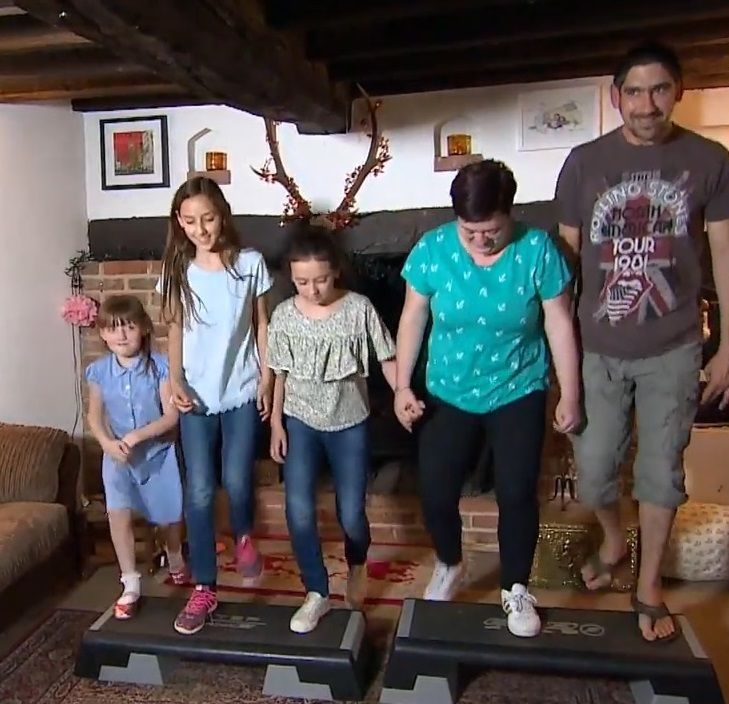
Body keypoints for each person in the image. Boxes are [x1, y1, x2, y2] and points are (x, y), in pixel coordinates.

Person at [554, 41, 729, 642]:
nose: (645, 104)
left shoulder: (710, 160)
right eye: (633, 91)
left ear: (678, 92)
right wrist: (558, 351)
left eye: (658, 89)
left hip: (675, 344)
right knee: (593, 471)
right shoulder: (584, 163)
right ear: (615, 98)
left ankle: (648, 584)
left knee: (661, 473)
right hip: (599, 346)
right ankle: (614, 544)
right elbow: (564, 261)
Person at [394, 159, 580, 638]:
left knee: (517, 491)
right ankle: (450, 563)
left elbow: (559, 322)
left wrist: (570, 391)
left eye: (491, 230)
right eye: (470, 230)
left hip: (517, 386)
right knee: (435, 491)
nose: (480, 240)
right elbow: (413, 316)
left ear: (509, 215)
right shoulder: (433, 249)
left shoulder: (537, 249)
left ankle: (516, 587)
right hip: (447, 389)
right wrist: (402, 385)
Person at [157, 176, 274, 635]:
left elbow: (263, 325)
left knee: (236, 480)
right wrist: (175, 378)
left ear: (222, 214)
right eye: (189, 222)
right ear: (179, 224)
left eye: (207, 218)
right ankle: (204, 585)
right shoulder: (177, 269)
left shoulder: (250, 264)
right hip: (196, 398)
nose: (200, 229)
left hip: (242, 390)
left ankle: (243, 535)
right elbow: (174, 330)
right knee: (200, 491)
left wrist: (266, 378)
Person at [268, 223, 397, 634]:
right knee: (299, 509)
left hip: (349, 423)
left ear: (336, 271)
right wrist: (275, 423)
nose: (313, 289)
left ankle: (357, 564)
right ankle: (316, 591)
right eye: (303, 281)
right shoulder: (285, 314)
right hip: (300, 421)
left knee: (352, 515)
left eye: (320, 279)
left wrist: (403, 394)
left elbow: (388, 357)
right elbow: (279, 374)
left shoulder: (359, 308)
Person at [85, 295, 190, 619]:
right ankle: (130, 582)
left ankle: (175, 556)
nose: (122, 335)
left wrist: (136, 436)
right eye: (113, 329)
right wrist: (106, 442)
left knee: (170, 515)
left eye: (129, 327)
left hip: (157, 453)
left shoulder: (160, 367)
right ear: (103, 334)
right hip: (117, 458)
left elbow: (170, 418)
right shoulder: (98, 371)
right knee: (118, 514)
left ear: (143, 328)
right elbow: (94, 416)